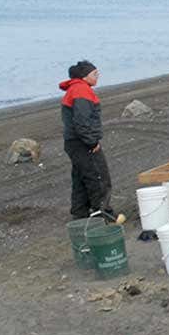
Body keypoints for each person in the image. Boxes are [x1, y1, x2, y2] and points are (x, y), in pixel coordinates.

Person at [59, 60, 119, 221]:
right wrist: (92, 142)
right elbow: (82, 121)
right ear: (84, 76)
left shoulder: (76, 88)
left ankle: (80, 213)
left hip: (73, 142)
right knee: (98, 175)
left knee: (80, 176)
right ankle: (102, 212)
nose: (97, 75)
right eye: (94, 73)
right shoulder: (81, 90)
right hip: (82, 142)